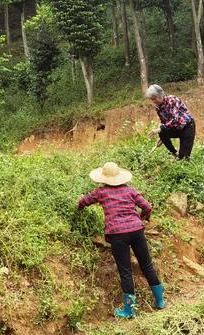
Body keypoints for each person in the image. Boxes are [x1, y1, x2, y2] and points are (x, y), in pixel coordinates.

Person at [77, 162, 166, 318]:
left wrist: (79, 206)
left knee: (125, 271)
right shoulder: (130, 190)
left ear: (103, 178)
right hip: (137, 231)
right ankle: (160, 301)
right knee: (147, 266)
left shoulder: (101, 192)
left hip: (118, 234)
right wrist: (141, 218)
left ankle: (129, 310)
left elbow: (84, 201)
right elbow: (147, 207)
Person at [146, 84, 196, 160]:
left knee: (184, 159)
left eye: (154, 99)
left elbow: (175, 119)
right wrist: (163, 138)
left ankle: (182, 156)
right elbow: (163, 121)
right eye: (151, 99)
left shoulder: (172, 100)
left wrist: (160, 129)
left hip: (187, 127)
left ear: (160, 95)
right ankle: (174, 153)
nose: (153, 101)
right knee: (162, 131)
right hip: (176, 128)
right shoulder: (157, 107)